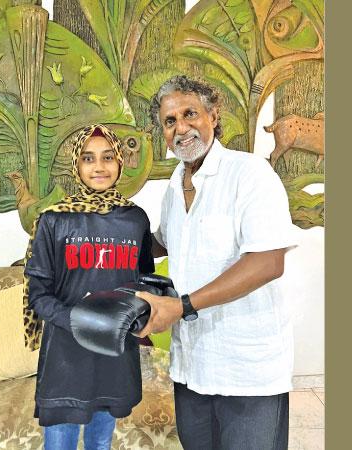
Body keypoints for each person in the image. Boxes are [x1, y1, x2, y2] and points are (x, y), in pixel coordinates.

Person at [135, 75, 299, 450]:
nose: (181, 128)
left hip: (246, 369)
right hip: (192, 366)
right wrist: (103, 227)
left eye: (189, 113)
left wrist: (183, 306)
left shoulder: (250, 174)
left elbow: (268, 261)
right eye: (170, 121)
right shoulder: (174, 187)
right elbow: (163, 242)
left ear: (213, 114)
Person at [22, 124, 156, 450]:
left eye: (108, 157)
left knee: (100, 443)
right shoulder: (54, 220)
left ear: (120, 162)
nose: (99, 167)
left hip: (113, 352)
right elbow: (38, 292)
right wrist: (78, 321)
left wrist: (139, 316)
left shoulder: (135, 218)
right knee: (60, 444)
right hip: (66, 356)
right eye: (88, 158)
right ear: (76, 166)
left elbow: (143, 283)